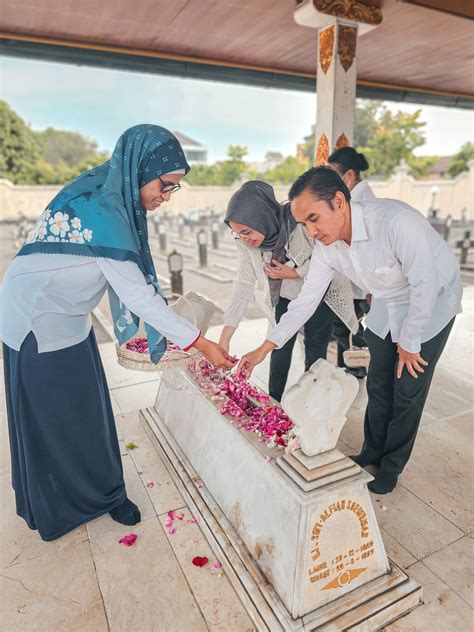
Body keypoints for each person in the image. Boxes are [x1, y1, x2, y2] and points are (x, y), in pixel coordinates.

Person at [0, 124, 234, 541]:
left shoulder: (110, 197)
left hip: (69, 317)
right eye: (164, 185)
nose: (165, 197)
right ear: (139, 169)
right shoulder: (104, 212)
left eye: (173, 189)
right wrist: (203, 344)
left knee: (90, 411)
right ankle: (62, 505)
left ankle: (106, 494)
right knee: (56, 419)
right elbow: (141, 298)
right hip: (35, 322)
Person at [237, 167, 462, 494]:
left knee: (407, 389)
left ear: (339, 202)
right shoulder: (327, 247)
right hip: (388, 300)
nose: (311, 231)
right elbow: (306, 300)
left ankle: (391, 465)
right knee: (379, 382)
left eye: (314, 218)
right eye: (303, 224)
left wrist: (410, 341)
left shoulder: (397, 223)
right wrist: (265, 347)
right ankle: (372, 451)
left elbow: (424, 284)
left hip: (432, 299)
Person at [219, 180, 358, 401]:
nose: (244, 239)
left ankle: (310, 401)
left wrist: (293, 273)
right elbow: (243, 283)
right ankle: (274, 400)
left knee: (315, 350)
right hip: (283, 295)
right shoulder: (248, 243)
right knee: (279, 347)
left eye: (246, 231)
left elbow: (326, 260)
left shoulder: (302, 224)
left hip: (320, 296)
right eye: (238, 234)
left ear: (261, 217)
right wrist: (224, 338)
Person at [327, 146, 375, 378]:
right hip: (356, 281)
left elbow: (370, 249)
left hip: (366, 284)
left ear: (349, 175)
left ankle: (356, 367)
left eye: (332, 175)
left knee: (357, 327)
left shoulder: (362, 202)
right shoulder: (350, 198)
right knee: (346, 326)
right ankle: (351, 367)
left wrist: (370, 288)